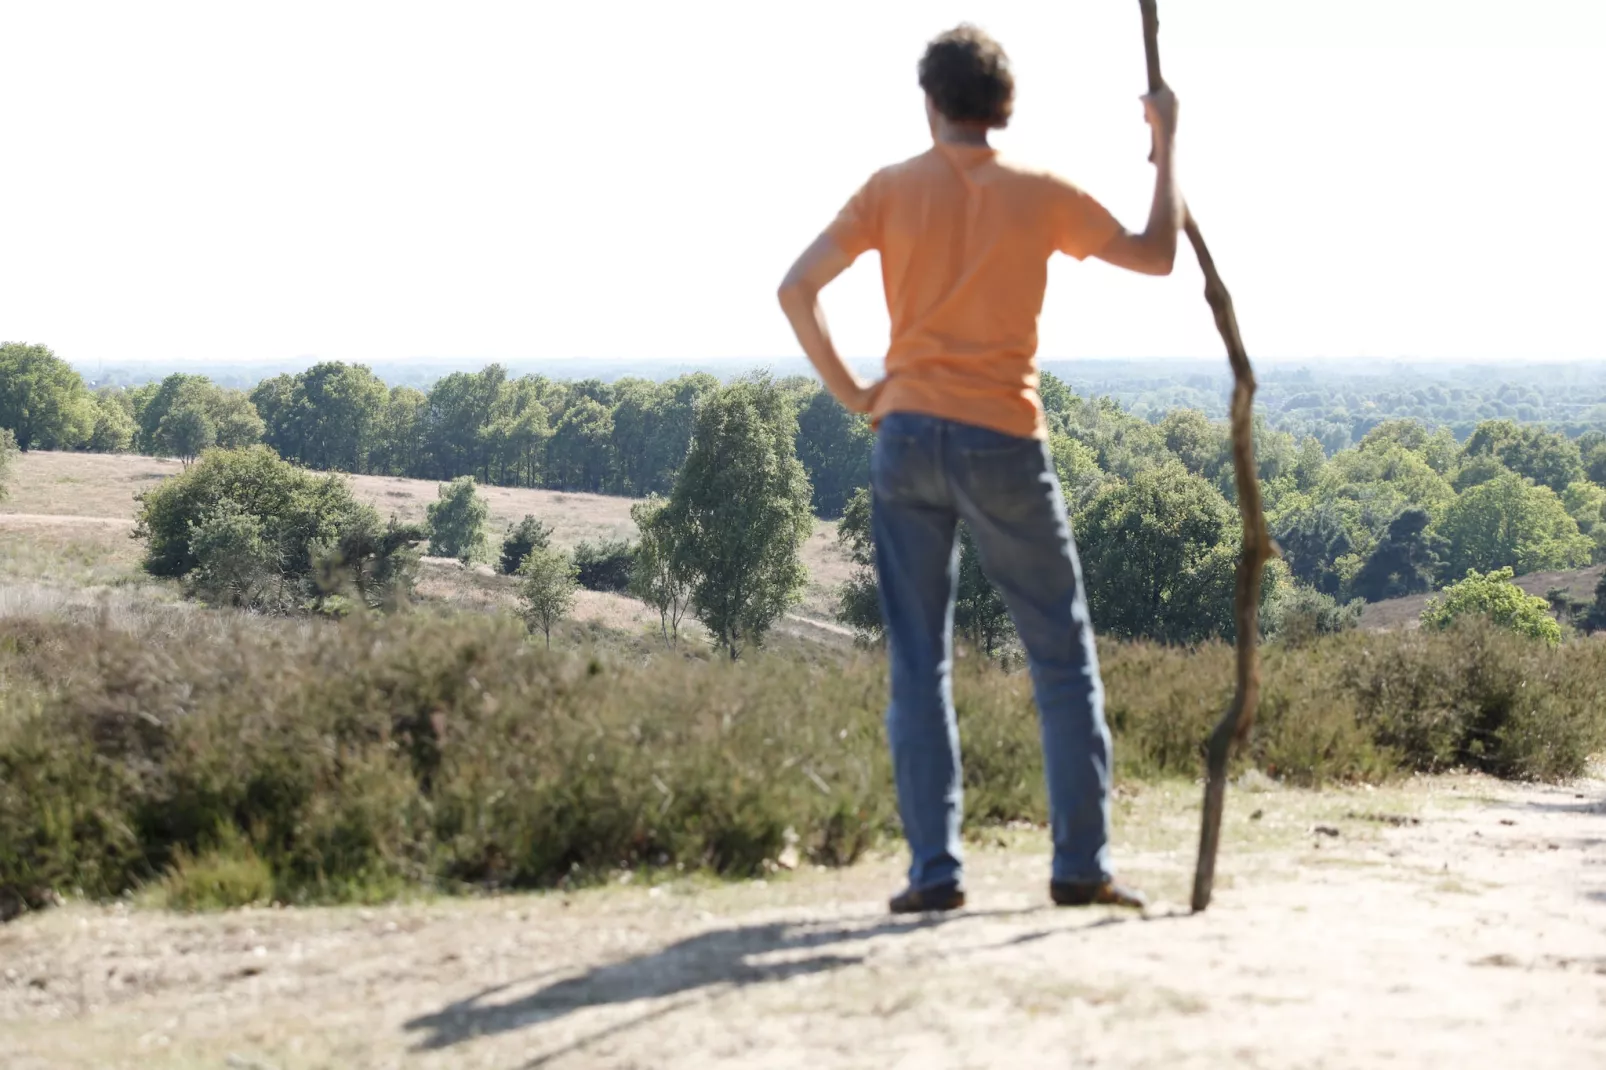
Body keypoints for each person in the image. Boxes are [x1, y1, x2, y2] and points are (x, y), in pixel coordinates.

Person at [777, 24, 1181, 913]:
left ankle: (935, 873)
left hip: (909, 435)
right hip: (1003, 438)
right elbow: (1157, 256)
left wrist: (855, 394)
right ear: (1005, 107)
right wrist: (1165, 149)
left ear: (931, 101)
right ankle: (1079, 866)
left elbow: (795, 287)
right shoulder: (1040, 194)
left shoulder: (889, 190)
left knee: (918, 663)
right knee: (1061, 659)